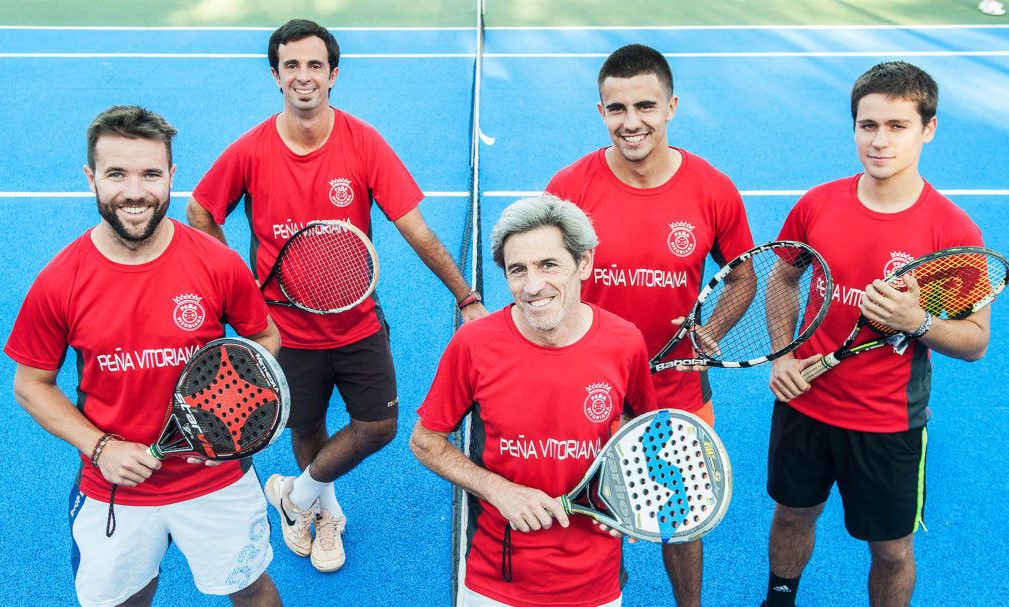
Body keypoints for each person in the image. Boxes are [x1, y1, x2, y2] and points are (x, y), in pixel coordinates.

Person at [185, 18, 487, 573]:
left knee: (380, 427)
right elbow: (201, 211)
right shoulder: (252, 150)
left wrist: (466, 296)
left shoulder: (362, 141)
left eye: (315, 66)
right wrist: (240, 289)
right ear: (275, 75)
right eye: (292, 66)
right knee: (306, 428)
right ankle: (324, 515)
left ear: (333, 75)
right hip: (286, 331)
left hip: (357, 323)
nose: (304, 76)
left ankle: (293, 498)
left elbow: (414, 228)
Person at [4, 106, 283, 606]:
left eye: (151, 174)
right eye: (117, 174)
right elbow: (31, 383)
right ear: (91, 178)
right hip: (115, 488)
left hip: (216, 478)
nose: (135, 192)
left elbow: (263, 339)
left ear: (171, 176)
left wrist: (228, 418)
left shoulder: (217, 263)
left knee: (251, 592)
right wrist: (100, 448)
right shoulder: (58, 281)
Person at [763, 61, 990, 607]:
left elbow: (977, 341)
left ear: (927, 129)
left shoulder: (954, 232)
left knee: (891, 549)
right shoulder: (817, 204)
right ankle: (778, 600)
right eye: (868, 126)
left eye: (897, 126)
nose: (880, 141)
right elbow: (783, 276)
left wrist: (919, 323)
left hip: (887, 421)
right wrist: (783, 354)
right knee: (793, 514)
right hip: (805, 404)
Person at [544, 43, 754, 607]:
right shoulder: (569, 189)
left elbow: (743, 278)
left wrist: (712, 333)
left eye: (645, 106)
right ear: (601, 112)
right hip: (588, 388)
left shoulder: (712, 189)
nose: (631, 122)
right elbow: (543, 282)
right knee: (593, 521)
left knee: (681, 524)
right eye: (617, 109)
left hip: (678, 389)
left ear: (671, 107)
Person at [410, 195, 658, 607]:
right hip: (496, 580)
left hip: (594, 582)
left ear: (584, 264)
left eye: (548, 265)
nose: (532, 286)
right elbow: (425, 440)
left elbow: (641, 429)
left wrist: (632, 493)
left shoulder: (624, 342)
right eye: (517, 270)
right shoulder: (473, 344)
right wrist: (495, 488)